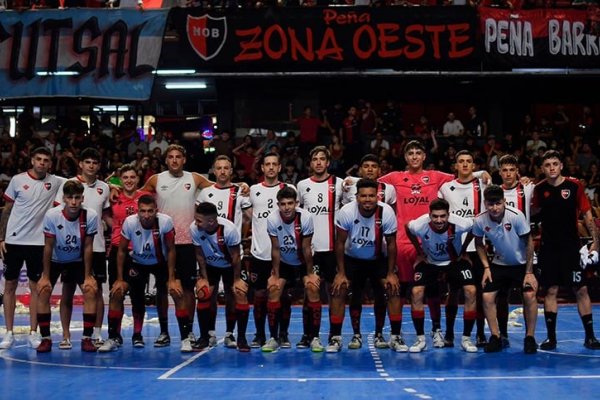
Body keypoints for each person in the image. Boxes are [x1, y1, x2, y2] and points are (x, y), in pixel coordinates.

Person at [379, 141, 490, 350]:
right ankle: (396, 334)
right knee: (403, 290)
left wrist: (482, 172)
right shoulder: (394, 177)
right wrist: (350, 179)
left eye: (418, 153)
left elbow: (462, 176)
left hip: (434, 242)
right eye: (410, 153)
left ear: (423, 157)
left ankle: (436, 330)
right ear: (405, 157)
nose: (414, 156)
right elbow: (371, 181)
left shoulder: (437, 176)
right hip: (405, 241)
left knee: (432, 291)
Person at [137, 144, 229, 348]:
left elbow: (220, 186)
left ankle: (188, 330)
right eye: (171, 157)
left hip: (188, 243)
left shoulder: (194, 178)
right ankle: (163, 332)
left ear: (184, 159)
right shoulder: (156, 180)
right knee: (163, 288)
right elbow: (137, 195)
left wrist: (241, 185)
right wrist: (114, 189)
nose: (175, 160)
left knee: (188, 289)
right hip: (162, 242)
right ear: (166, 160)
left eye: (178, 156)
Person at [532, 150, 600, 350]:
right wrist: (524, 187)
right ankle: (551, 338)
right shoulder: (539, 189)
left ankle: (590, 337)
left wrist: (596, 243)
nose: (552, 168)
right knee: (550, 290)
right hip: (548, 248)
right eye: (547, 165)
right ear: (542, 169)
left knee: (581, 289)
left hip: (571, 248)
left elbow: (587, 215)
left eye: (555, 164)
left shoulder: (574, 185)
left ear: (561, 165)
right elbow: (532, 212)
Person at [0, 147, 66, 350]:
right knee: (9, 286)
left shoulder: (56, 182)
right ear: (32, 160)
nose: (42, 163)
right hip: (14, 240)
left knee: (36, 288)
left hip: (39, 243)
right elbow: (7, 210)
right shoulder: (17, 180)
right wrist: (1, 237)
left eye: (46, 160)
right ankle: (9, 333)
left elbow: (82, 183)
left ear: (50, 164)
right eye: (38, 159)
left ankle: (33, 332)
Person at [328, 179, 401, 353]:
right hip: (352, 258)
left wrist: (391, 273)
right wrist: (341, 272)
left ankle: (393, 336)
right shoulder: (346, 212)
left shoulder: (387, 212)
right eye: (363, 196)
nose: (367, 199)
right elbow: (339, 243)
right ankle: (337, 337)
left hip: (378, 258)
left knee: (392, 288)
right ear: (357, 197)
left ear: (377, 196)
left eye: (371, 196)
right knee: (340, 289)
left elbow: (391, 244)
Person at [112, 195, 193, 351]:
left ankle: (182, 337)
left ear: (156, 210)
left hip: (160, 262)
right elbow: (121, 250)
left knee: (176, 292)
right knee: (126, 294)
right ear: (138, 211)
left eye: (150, 211)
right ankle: (133, 335)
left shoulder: (165, 221)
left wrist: (171, 278)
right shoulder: (130, 222)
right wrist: (120, 279)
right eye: (143, 211)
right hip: (138, 262)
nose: (147, 215)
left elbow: (170, 249)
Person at [406, 198, 478, 353]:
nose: (439, 220)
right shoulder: (420, 225)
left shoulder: (460, 223)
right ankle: (421, 339)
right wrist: (419, 251)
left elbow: (475, 227)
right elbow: (407, 228)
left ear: (448, 215)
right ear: (429, 215)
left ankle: (466, 339)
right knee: (416, 292)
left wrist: (464, 249)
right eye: (435, 216)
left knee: (471, 290)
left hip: (454, 261)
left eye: (443, 216)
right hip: (430, 262)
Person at [473, 185, 539, 354]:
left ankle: (530, 337)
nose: (494, 208)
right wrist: (486, 267)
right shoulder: (480, 220)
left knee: (529, 295)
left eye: (498, 203)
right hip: (499, 264)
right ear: (485, 204)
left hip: (522, 264)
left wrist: (529, 272)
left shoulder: (516, 216)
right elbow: (479, 244)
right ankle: (496, 337)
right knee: (487, 296)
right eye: (490, 204)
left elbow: (529, 242)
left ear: (504, 202)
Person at [35, 180, 99, 353]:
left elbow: (88, 247)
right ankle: (46, 338)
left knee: (90, 290)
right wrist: (46, 276)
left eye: (77, 198)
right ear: (63, 198)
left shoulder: (90, 216)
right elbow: (48, 246)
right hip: (56, 260)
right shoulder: (52, 215)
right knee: (43, 290)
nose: (73, 202)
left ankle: (87, 338)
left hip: (77, 261)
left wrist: (87, 276)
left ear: (82, 199)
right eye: (70, 198)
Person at [57, 148, 111, 350]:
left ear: (98, 165)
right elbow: (58, 213)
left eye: (94, 162)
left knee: (95, 292)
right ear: (80, 164)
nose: (91, 165)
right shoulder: (68, 185)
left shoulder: (104, 187)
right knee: (67, 292)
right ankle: (66, 335)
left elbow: (106, 217)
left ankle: (95, 334)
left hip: (96, 247)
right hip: (70, 248)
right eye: (87, 161)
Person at [196, 155, 252, 347]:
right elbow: (198, 219)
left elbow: (248, 217)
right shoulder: (204, 193)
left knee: (233, 295)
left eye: (226, 168)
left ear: (231, 171)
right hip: (210, 255)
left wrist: (244, 237)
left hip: (232, 254)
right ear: (213, 170)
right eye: (218, 168)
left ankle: (230, 333)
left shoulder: (240, 191)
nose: (222, 171)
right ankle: (208, 333)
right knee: (206, 294)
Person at [342, 153, 396, 349]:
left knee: (383, 293)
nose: (370, 169)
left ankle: (381, 334)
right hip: (354, 252)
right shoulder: (347, 186)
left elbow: (391, 235)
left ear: (380, 171)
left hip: (378, 253)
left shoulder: (389, 192)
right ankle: (354, 335)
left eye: (374, 166)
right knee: (353, 294)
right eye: (366, 166)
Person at [261, 187, 323, 353]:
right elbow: (275, 249)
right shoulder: (273, 219)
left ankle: (314, 337)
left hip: (304, 260)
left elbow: (306, 247)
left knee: (312, 288)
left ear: (296, 203)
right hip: (284, 261)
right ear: (278, 205)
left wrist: (310, 274)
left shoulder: (306, 217)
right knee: (273, 290)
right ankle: (274, 337)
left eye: (290, 203)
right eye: (283, 204)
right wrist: (275, 274)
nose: (287, 207)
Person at [98, 164, 151, 352]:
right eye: (125, 177)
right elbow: (103, 209)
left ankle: (137, 334)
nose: (129, 180)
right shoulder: (113, 197)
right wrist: (116, 228)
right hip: (116, 250)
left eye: (132, 177)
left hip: (138, 252)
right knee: (116, 293)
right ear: (120, 180)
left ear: (137, 179)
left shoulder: (145, 198)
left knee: (137, 295)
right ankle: (114, 336)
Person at [438, 150, 488, 348]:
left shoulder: (483, 184)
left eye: (469, 161)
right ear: (455, 166)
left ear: (474, 166)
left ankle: (480, 334)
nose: (465, 165)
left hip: (478, 248)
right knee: (454, 292)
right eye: (461, 162)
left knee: (478, 292)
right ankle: (449, 333)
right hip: (454, 250)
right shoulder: (445, 188)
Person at [296, 146, 344, 349]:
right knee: (310, 291)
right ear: (310, 163)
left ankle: (335, 336)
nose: (318, 162)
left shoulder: (341, 184)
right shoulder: (301, 185)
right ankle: (309, 335)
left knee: (336, 293)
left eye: (322, 159)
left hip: (333, 250)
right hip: (311, 251)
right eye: (314, 159)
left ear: (328, 162)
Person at [243, 152, 291, 348]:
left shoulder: (289, 189)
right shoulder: (253, 190)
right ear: (262, 168)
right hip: (259, 253)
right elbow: (248, 216)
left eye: (274, 164)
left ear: (279, 168)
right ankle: (260, 334)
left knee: (283, 295)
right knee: (260, 296)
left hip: (284, 254)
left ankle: (283, 334)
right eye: (267, 164)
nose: (271, 167)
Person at [189, 202, 248, 351]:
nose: (196, 222)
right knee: (204, 292)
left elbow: (235, 257)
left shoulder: (229, 230)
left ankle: (236, 336)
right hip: (210, 265)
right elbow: (199, 254)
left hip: (231, 265)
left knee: (237, 294)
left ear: (211, 221)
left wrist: (236, 280)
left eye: (199, 220)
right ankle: (206, 336)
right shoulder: (194, 228)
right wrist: (203, 277)